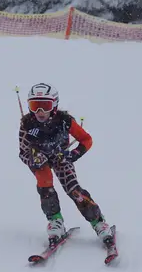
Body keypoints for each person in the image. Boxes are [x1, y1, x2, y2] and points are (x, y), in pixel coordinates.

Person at [18, 82, 114, 248]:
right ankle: (55, 221)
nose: (39, 112)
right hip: (39, 160)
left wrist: (73, 154)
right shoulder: (27, 124)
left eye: (45, 106)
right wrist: (33, 159)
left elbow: (86, 139)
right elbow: (23, 152)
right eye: (34, 106)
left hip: (60, 158)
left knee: (74, 190)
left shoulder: (64, 121)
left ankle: (98, 222)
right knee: (45, 186)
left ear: (54, 105)